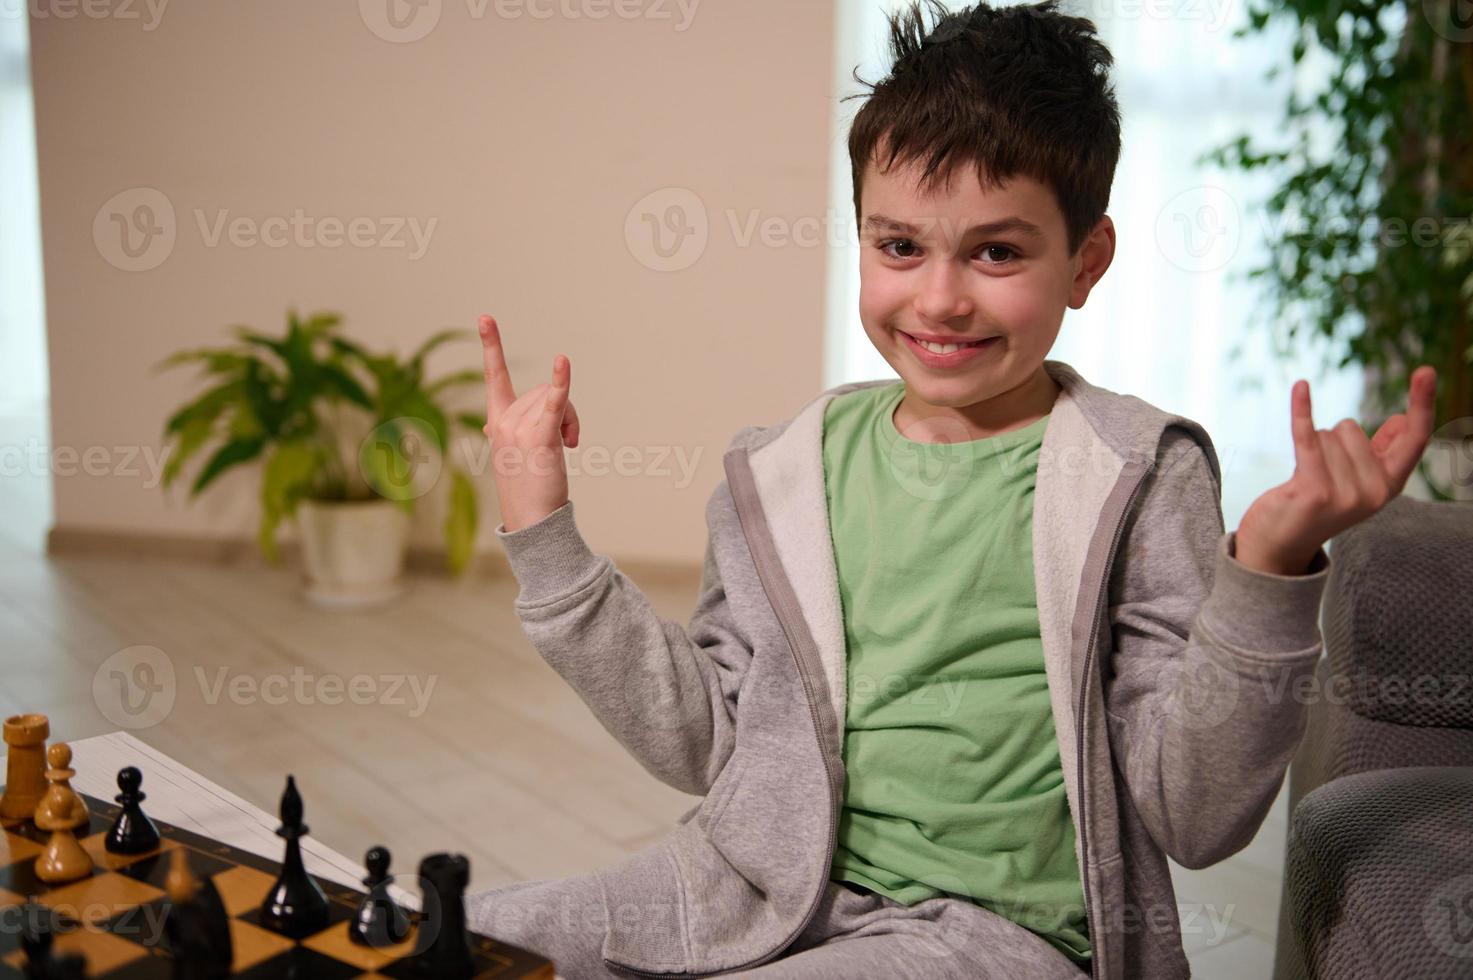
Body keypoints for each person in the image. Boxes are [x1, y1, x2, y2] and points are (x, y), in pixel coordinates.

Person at [464, 2, 1438, 977]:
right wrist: (540, 524)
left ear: (1085, 262)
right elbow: (706, 740)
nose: (939, 298)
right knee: (463, 935)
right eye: (900, 247)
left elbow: (1195, 811)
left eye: (997, 252)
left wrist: (1270, 567)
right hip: (750, 885)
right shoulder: (781, 470)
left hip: (996, 936)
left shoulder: (1139, 475)